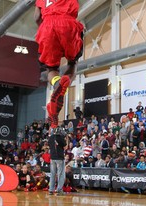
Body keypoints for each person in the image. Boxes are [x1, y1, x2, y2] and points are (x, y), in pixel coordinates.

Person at [34, 0, 84, 128]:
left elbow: (36, 17)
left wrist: (45, 25)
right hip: (68, 24)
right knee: (73, 62)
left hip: (47, 25)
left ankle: (57, 84)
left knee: (51, 68)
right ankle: (61, 89)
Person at [48, 126, 68, 195]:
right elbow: (65, 147)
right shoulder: (60, 138)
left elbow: (49, 146)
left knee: (53, 174)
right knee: (61, 174)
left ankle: (51, 189)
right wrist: (67, 139)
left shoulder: (50, 138)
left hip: (52, 157)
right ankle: (59, 190)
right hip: (59, 157)